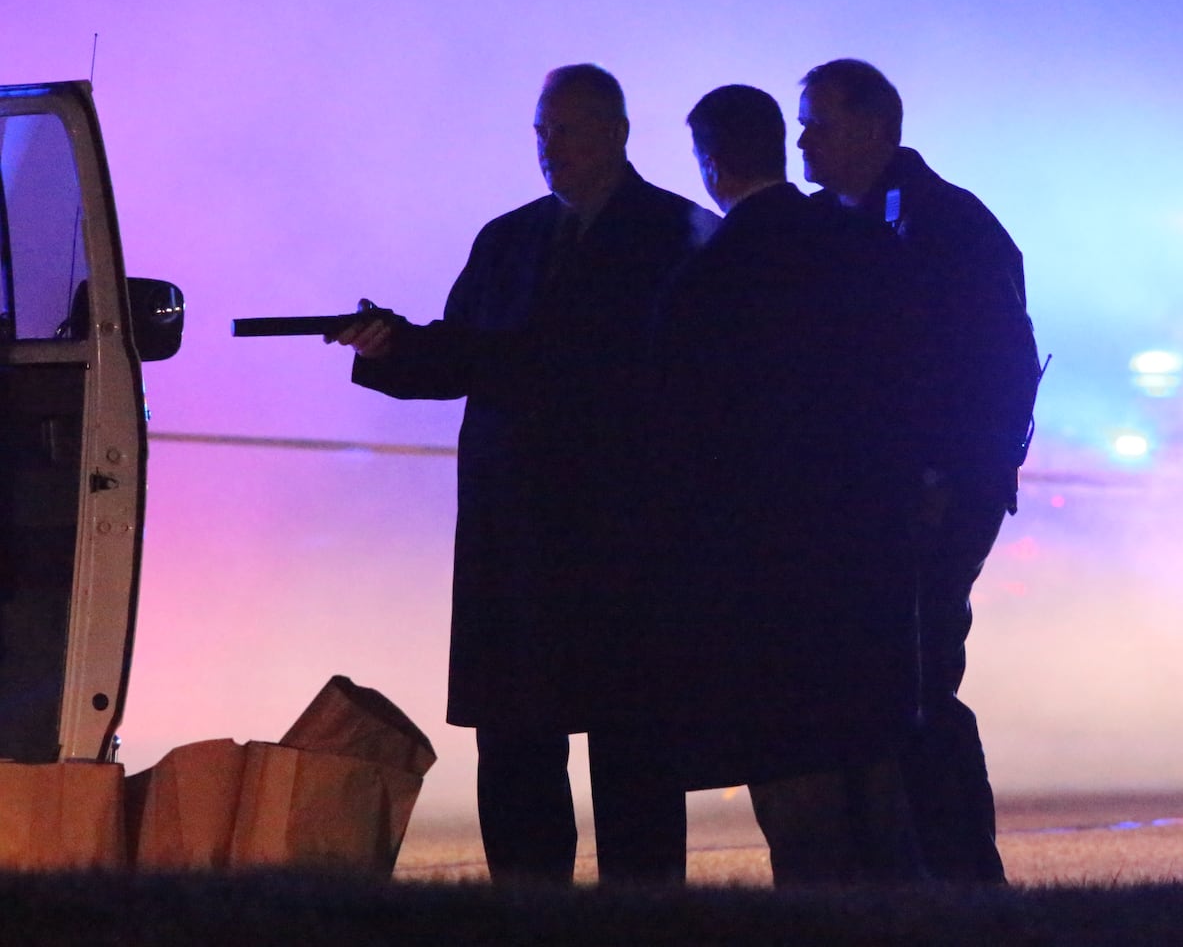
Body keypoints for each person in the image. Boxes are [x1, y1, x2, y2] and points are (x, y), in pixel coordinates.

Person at [330, 64, 717, 885]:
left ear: (617, 132)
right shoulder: (508, 239)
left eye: (567, 130)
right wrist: (390, 347)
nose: (550, 148)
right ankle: (527, 912)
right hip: (515, 532)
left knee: (634, 743)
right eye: (542, 132)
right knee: (515, 739)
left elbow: (650, 374)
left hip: (626, 534)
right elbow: (460, 354)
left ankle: (646, 916)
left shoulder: (677, 236)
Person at [624, 84, 926, 885]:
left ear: (711, 163)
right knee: (874, 758)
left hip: (763, 559)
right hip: (867, 540)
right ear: (778, 147)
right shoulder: (863, 244)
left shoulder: (707, 278)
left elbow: (681, 432)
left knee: (791, 763)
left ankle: (816, 913)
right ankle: (910, 911)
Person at [780, 58, 1041, 884]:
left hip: (929, 498)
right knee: (883, 683)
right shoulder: (832, 225)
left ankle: (959, 878)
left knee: (918, 682)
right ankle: (913, 876)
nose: (802, 140)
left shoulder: (949, 228)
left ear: (873, 127)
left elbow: (997, 369)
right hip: (871, 498)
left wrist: (947, 481)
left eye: (818, 122)